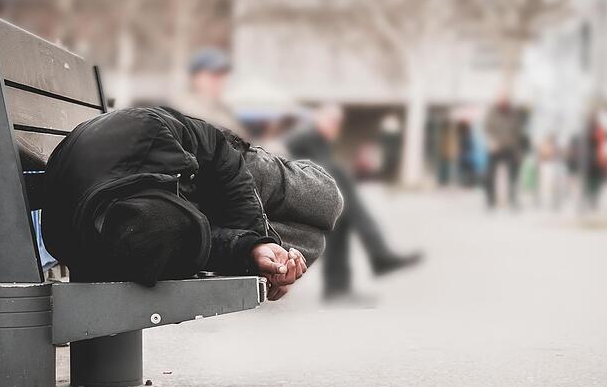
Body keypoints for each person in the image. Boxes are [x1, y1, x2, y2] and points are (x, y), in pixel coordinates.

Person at [42, 106, 309, 300]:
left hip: (194, 160)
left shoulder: (153, 135)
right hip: (114, 187)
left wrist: (256, 241)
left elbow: (218, 148)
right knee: (312, 233)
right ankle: (272, 254)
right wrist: (252, 252)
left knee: (321, 204)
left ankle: (270, 251)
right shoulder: (72, 241)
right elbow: (195, 247)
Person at [178, 47, 344, 267]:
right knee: (325, 201)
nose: (220, 80)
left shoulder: (221, 108)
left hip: (233, 188)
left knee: (313, 237)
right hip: (224, 184)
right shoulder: (188, 108)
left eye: (222, 75)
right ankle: (267, 260)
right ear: (196, 77)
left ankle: (268, 262)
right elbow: (226, 153)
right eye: (213, 74)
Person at [287, 104, 422, 300]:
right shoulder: (306, 138)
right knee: (342, 195)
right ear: (319, 120)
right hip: (296, 196)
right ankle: (376, 256)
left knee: (343, 213)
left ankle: (340, 286)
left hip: (310, 194)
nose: (335, 128)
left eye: (338, 124)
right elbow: (312, 172)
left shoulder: (316, 140)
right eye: (332, 122)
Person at [484, 97, 524, 209]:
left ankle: (513, 200)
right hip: (495, 148)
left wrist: (518, 150)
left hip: (510, 147)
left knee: (513, 175)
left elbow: (518, 133)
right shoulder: (492, 112)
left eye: (506, 101)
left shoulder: (513, 113)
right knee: (489, 175)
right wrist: (491, 141)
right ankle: (490, 200)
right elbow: (487, 128)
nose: (504, 103)